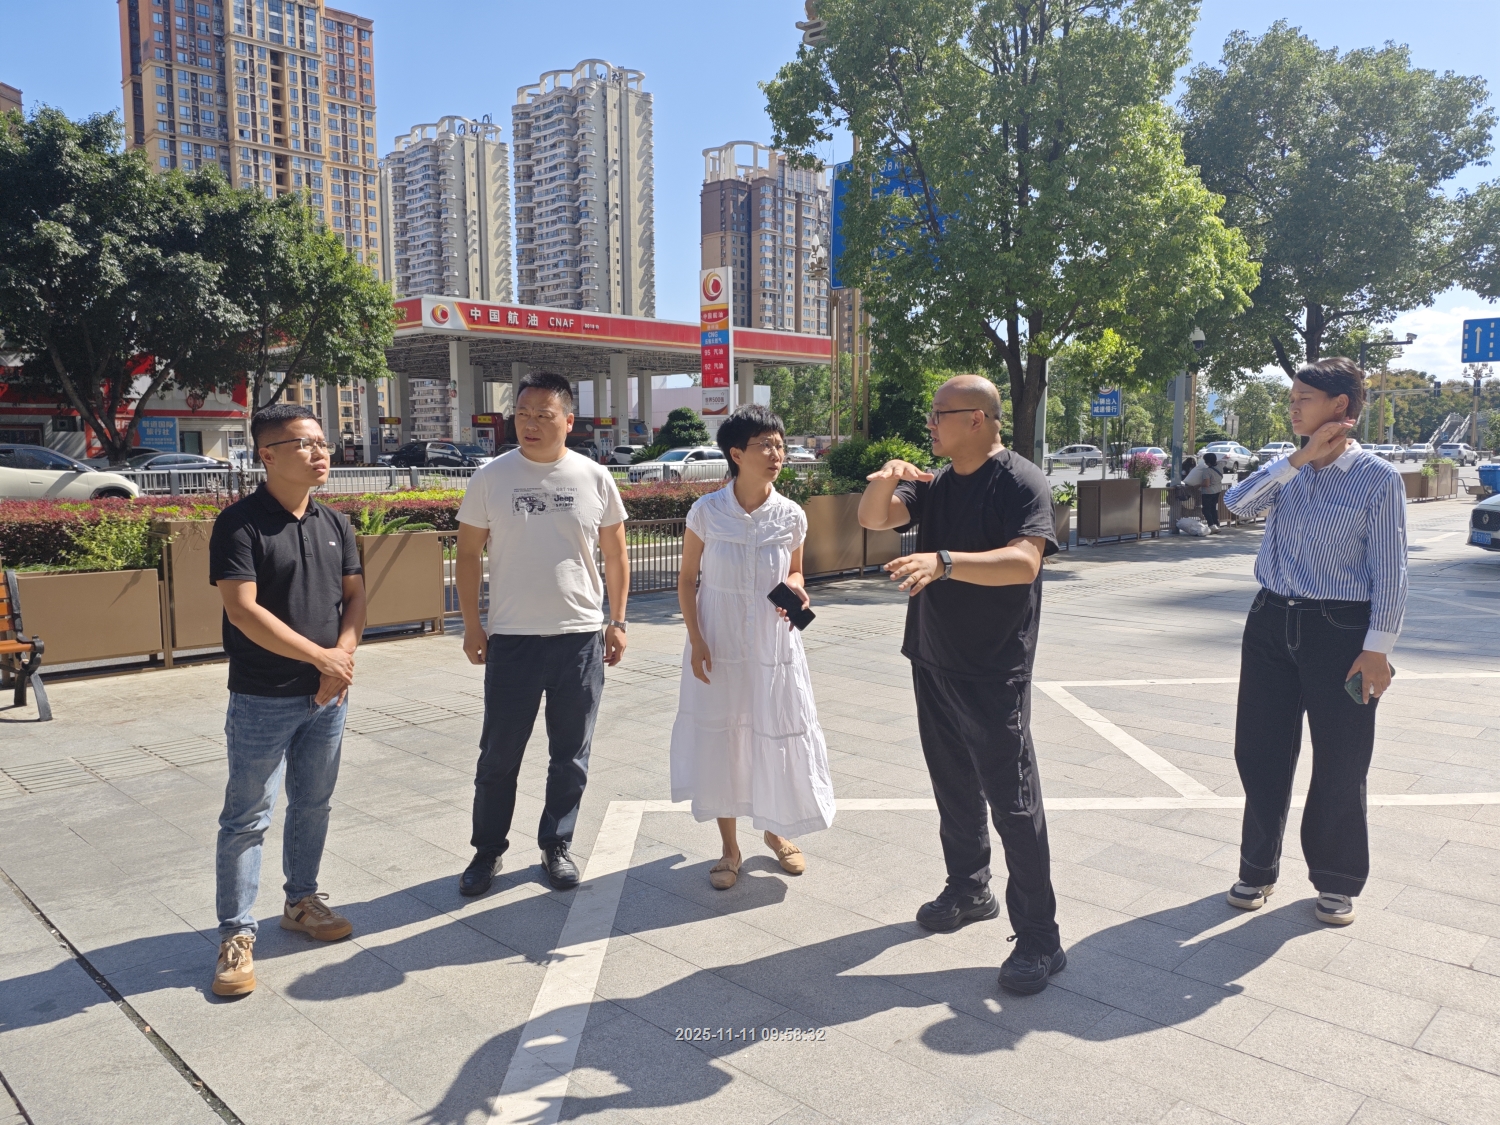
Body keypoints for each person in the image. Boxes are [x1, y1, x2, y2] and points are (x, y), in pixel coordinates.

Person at [857, 374, 1065, 996]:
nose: (930, 423)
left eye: (939, 413)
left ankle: (1041, 938)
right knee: (952, 785)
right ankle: (970, 889)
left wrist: (944, 561)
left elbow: (1024, 562)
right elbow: (874, 519)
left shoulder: (1021, 481)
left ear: (977, 418)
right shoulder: (937, 482)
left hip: (994, 668)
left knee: (1014, 804)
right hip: (932, 657)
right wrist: (885, 478)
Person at [1222, 357, 1407, 927]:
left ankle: (1336, 878)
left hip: (1341, 630)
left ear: (1340, 406)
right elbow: (1235, 506)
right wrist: (1297, 459)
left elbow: (1391, 571)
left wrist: (1377, 649)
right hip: (1270, 620)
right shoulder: (1288, 469)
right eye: (1292, 397)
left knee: (1341, 758)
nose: (1293, 406)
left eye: (1304, 398)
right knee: (1259, 750)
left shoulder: (1377, 478)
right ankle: (1257, 867)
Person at [207, 404, 367, 997]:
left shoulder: (336, 522)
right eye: (304, 443)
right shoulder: (240, 524)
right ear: (267, 455)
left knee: (313, 804)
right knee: (246, 817)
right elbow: (243, 610)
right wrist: (322, 659)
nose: (319, 452)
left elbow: (355, 598)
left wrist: (340, 660)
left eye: (322, 442)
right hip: (262, 697)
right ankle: (236, 933)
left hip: (328, 696)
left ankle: (301, 901)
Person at [453, 371, 630, 897]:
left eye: (543, 415)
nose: (530, 424)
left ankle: (557, 844)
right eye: (523, 414)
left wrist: (618, 621)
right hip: (512, 639)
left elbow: (616, 555)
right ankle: (487, 852)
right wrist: (472, 624)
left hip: (580, 637)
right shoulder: (490, 477)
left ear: (569, 421)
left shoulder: (595, 477)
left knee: (570, 754)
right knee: (498, 756)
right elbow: (468, 554)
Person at [670, 404, 835, 890]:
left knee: (774, 728)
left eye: (780, 445)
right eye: (765, 445)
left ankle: (776, 831)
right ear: (737, 454)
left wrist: (798, 587)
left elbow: (796, 571)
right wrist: (696, 639)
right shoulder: (706, 512)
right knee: (724, 736)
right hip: (718, 640)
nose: (776, 454)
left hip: (773, 645)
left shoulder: (791, 515)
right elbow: (687, 580)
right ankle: (729, 848)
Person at [1186, 451, 1224, 527]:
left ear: (1207, 461)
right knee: (1213, 508)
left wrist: (1199, 485)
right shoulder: (1220, 467)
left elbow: (1206, 484)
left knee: (1206, 510)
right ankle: (1216, 524)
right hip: (1217, 490)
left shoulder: (1207, 471)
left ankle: (1211, 525)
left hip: (1208, 492)